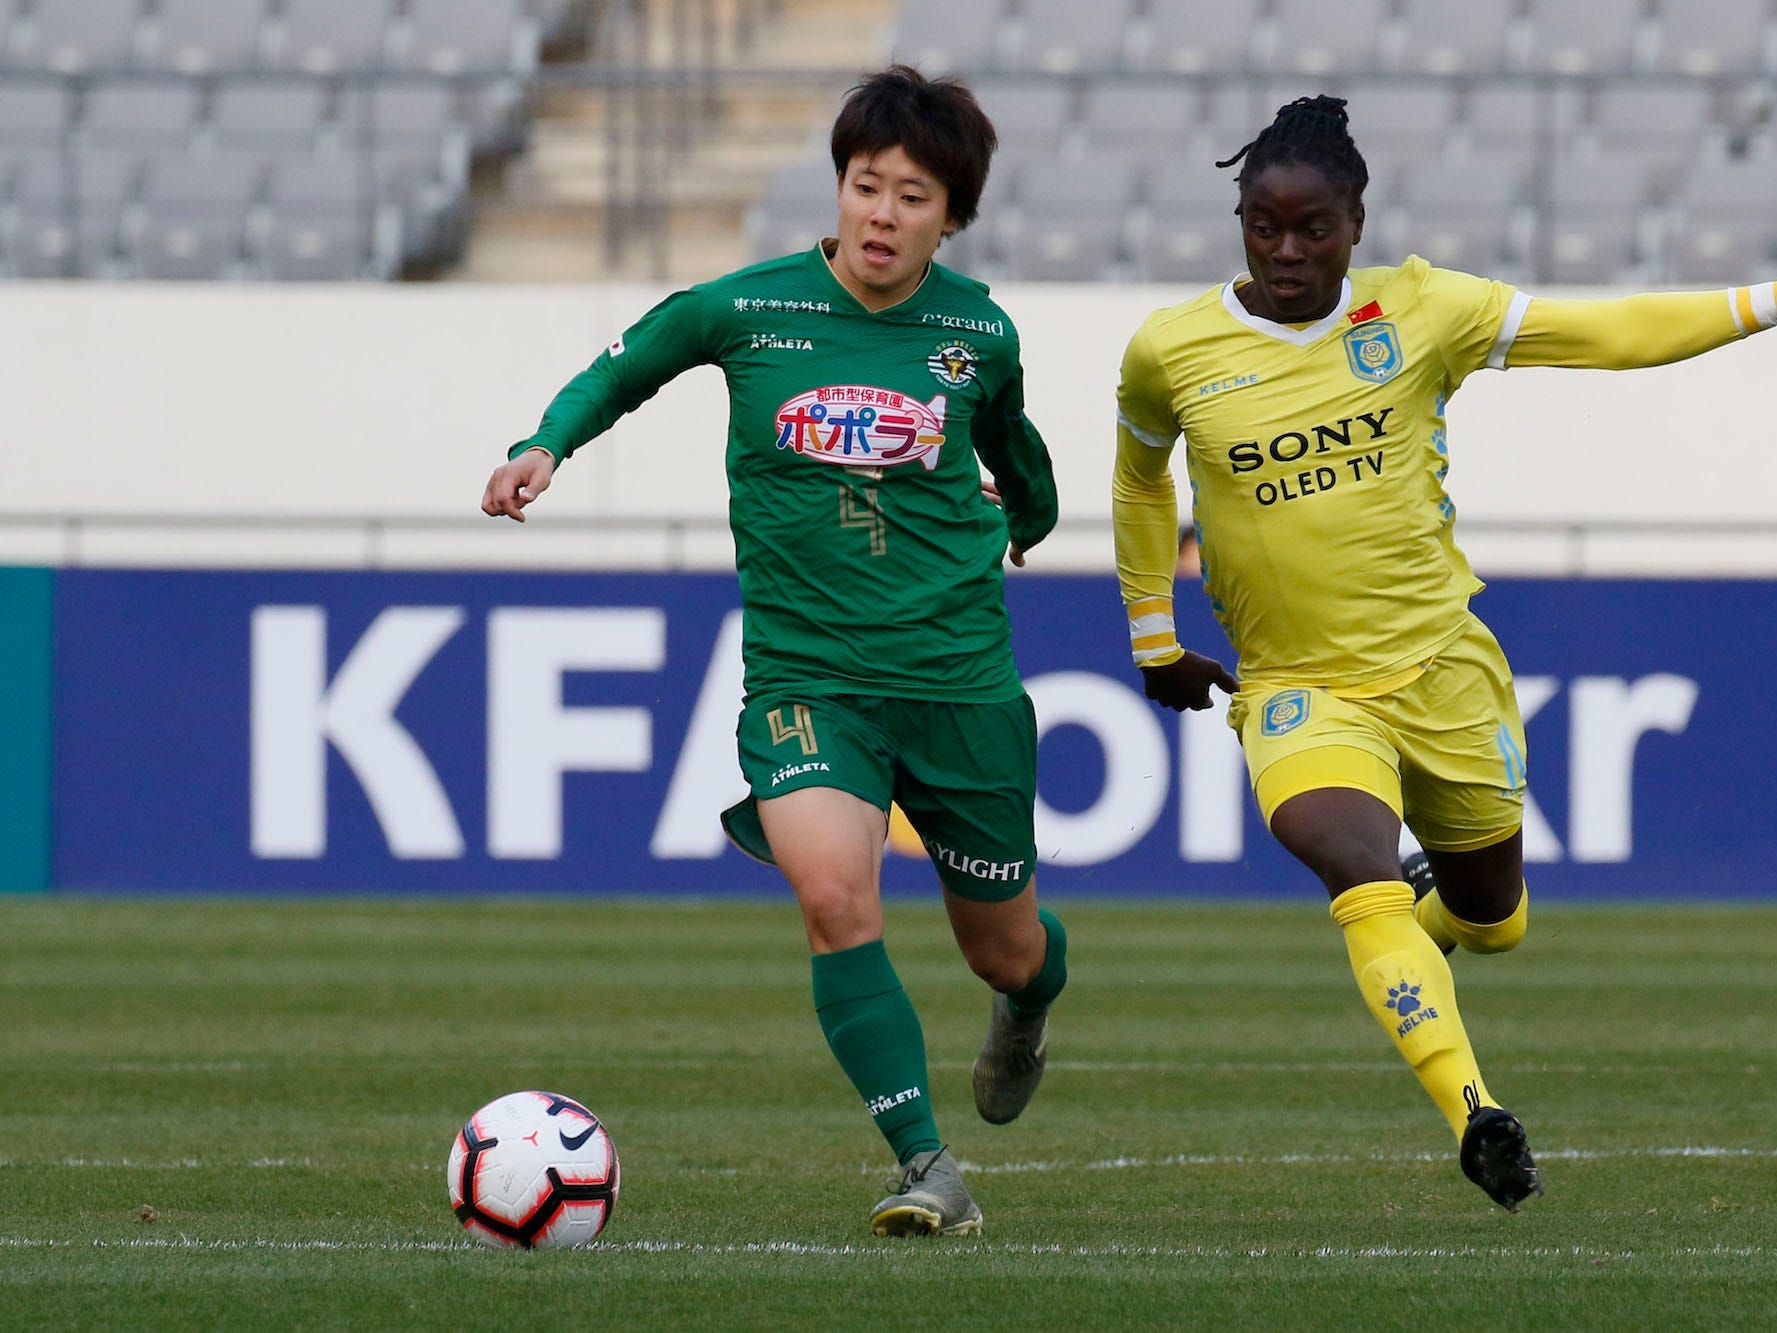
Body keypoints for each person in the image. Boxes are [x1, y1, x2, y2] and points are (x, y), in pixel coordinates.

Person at [1111, 93, 1777, 1212]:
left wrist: (1767, 300)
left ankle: (1434, 925)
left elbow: (1612, 338)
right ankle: (1476, 1112)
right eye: (1261, 225)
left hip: (1442, 671)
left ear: (1356, 221)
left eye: (1310, 227)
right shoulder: (1171, 350)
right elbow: (1139, 479)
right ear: (1237, 216)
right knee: (1354, 872)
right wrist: (1150, 631)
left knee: (1494, 920)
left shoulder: (1426, 311)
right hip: (1298, 689)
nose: (1284, 250)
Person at [481, 65, 1068, 1237]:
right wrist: (546, 443)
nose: (884, 214)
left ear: (950, 216)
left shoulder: (977, 332)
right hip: (808, 682)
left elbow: (1018, 453)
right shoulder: (749, 307)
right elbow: (625, 365)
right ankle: (928, 1167)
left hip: (958, 684)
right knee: (834, 894)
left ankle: (1027, 1008)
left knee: (1003, 948)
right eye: (866, 186)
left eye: (913, 196)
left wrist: (1029, 519)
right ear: (838, 188)